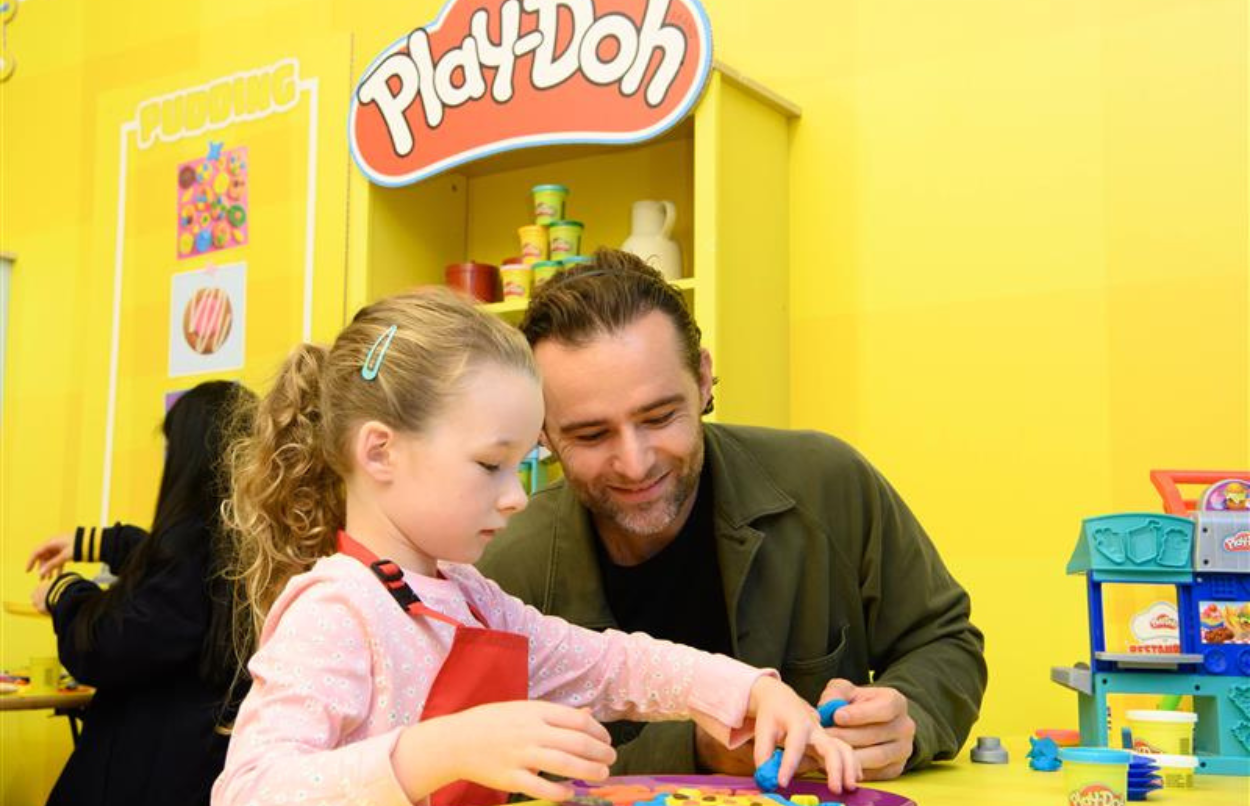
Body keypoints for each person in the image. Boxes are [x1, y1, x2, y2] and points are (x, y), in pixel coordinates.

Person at [212, 288, 858, 806]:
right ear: (381, 451)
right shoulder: (335, 610)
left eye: (524, 466)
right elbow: (250, 791)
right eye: (492, 464)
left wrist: (748, 691)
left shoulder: (473, 598)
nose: (517, 497)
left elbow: (613, 666)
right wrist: (441, 749)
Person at [477, 250, 988, 779]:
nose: (635, 463)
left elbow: (944, 639)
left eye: (659, 416)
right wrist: (696, 752)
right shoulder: (501, 563)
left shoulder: (828, 481)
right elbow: (473, 763)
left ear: (702, 379)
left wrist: (909, 717)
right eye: (590, 434)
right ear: (540, 429)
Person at [27, 380, 256, 806]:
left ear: (189, 456)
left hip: (157, 767)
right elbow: (169, 558)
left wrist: (64, 593)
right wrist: (92, 542)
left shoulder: (192, 549)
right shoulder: (248, 540)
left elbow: (105, 645)